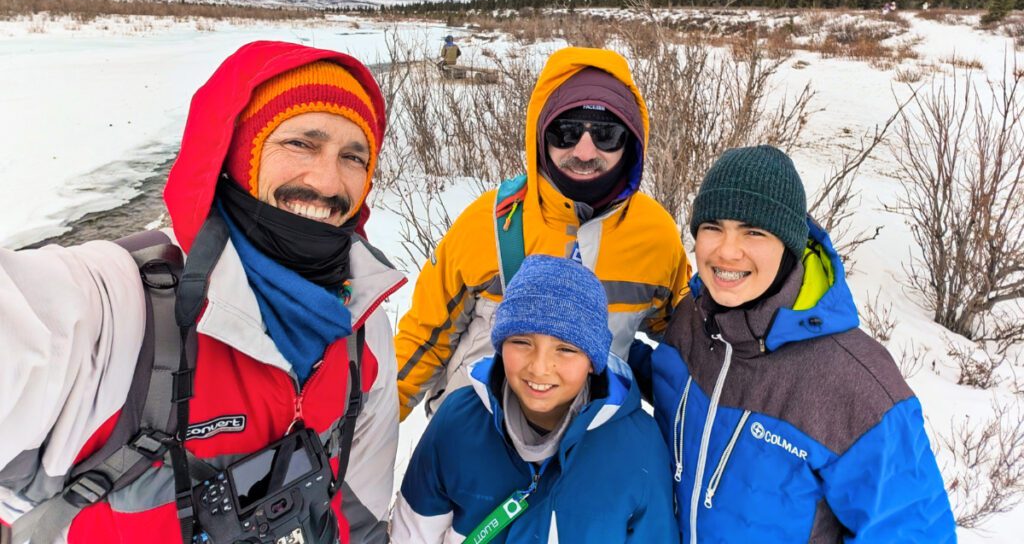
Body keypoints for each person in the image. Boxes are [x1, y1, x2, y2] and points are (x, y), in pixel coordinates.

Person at [0, 41, 404, 544]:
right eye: (300, 143)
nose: (327, 181)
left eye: (353, 156)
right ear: (238, 152)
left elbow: (357, 515)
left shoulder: (361, 330)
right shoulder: (120, 312)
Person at [638, 145, 956, 542]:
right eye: (713, 227)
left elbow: (912, 532)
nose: (726, 250)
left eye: (754, 231)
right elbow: (675, 393)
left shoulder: (856, 385)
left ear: (789, 245)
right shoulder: (694, 318)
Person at [394, 46, 691, 420]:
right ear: (540, 135)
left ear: (631, 139)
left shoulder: (656, 236)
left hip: (589, 447)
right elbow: (423, 341)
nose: (585, 151)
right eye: (566, 132)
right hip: (477, 439)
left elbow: (689, 349)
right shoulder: (488, 222)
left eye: (606, 134)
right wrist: (360, 436)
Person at [391, 255, 678, 543]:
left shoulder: (639, 445)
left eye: (565, 349)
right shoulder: (456, 422)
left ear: (593, 360)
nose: (540, 368)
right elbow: (412, 535)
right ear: (501, 344)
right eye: (521, 342)